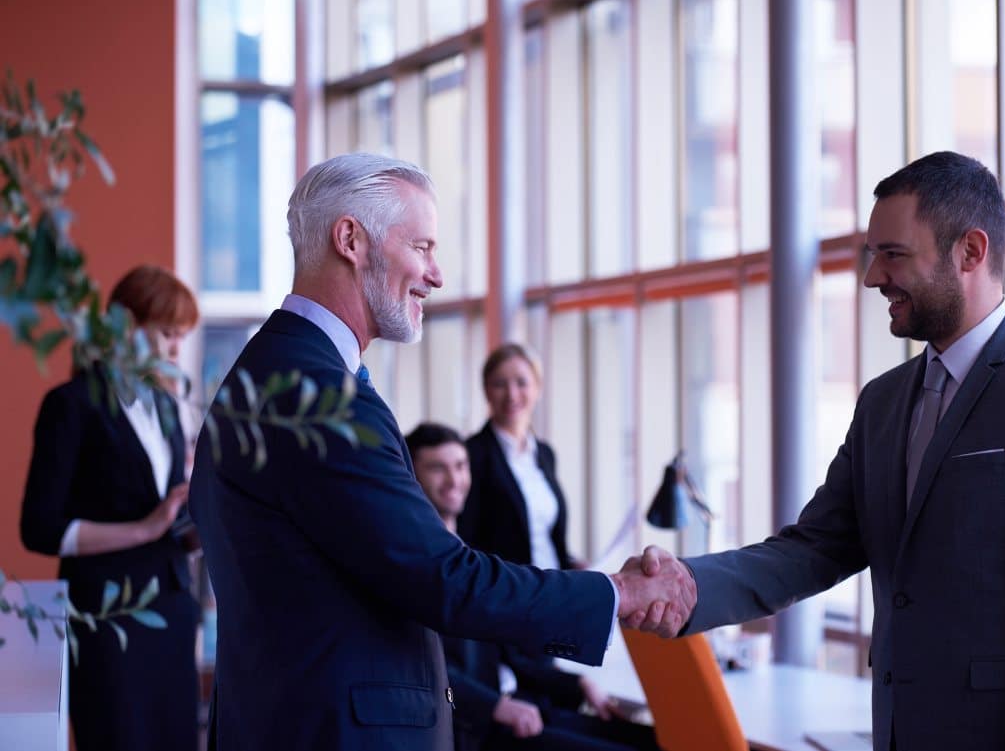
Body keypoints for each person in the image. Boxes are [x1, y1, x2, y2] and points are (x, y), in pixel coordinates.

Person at [622, 151, 1005, 751]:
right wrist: (688, 584)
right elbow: (816, 547)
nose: (872, 277)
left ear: (970, 252)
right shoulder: (884, 401)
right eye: (873, 255)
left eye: (892, 254)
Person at [188, 153, 693, 751]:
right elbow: (444, 579)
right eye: (422, 247)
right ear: (350, 239)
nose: (437, 275)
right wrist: (619, 593)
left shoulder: (270, 371)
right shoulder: (319, 394)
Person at [20, 264, 200, 751]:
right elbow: (37, 529)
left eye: (181, 337)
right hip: (107, 619)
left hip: (173, 610)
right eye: (167, 333)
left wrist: (203, 519)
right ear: (124, 323)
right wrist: (143, 529)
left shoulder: (165, 408)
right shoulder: (71, 404)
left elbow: (171, 520)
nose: (174, 350)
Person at [407, 422, 659, 751]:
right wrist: (495, 706)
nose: (454, 480)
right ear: (412, 475)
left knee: (657, 741)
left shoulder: (471, 556)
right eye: (438, 468)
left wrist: (577, 684)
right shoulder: (416, 566)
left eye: (460, 465)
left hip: (525, 703)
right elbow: (423, 668)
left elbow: (508, 650)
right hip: (481, 726)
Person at [459, 343, 581, 571]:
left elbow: (544, 533)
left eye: (522, 383)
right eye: (499, 384)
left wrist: (571, 563)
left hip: (555, 586)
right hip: (509, 593)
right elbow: (468, 539)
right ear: (486, 390)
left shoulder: (545, 454)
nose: (512, 394)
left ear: (538, 388)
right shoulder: (470, 454)